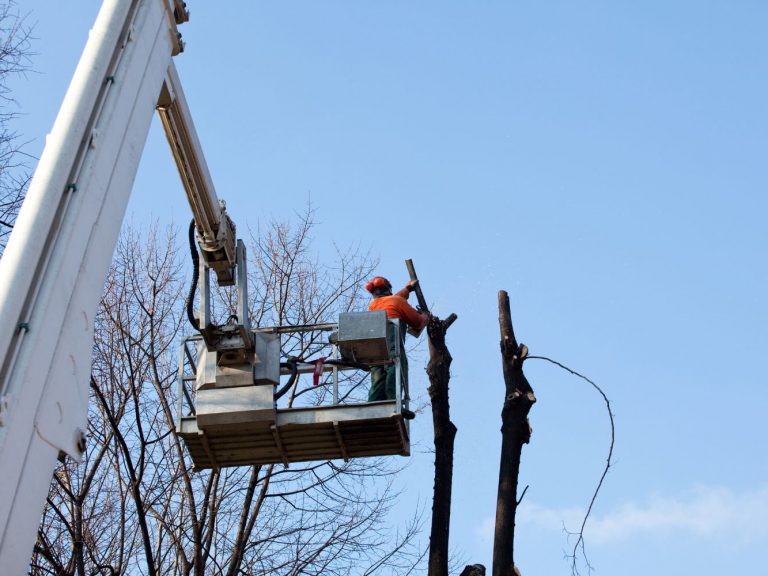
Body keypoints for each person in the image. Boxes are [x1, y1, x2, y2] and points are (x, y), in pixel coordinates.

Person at [365, 276, 429, 414]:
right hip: (391, 339)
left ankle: (373, 405)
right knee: (395, 365)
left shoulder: (373, 305)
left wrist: (407, 289)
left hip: (374, 344)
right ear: (388, 289)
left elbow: (395, 299)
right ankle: (393, 403)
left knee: (378, 371)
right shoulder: (397, 301)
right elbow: (418, 322)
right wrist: (425, 316)